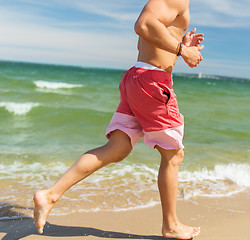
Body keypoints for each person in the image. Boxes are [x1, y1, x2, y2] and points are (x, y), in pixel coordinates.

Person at [33, 0, 204, 239]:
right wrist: (183, 51)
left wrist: (181, 44)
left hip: (138, 77)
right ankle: (171, 225)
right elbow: (144, 25)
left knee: (118, 147)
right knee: (173, 155)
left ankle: (50, 195)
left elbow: (153, 34)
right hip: (153, 82)